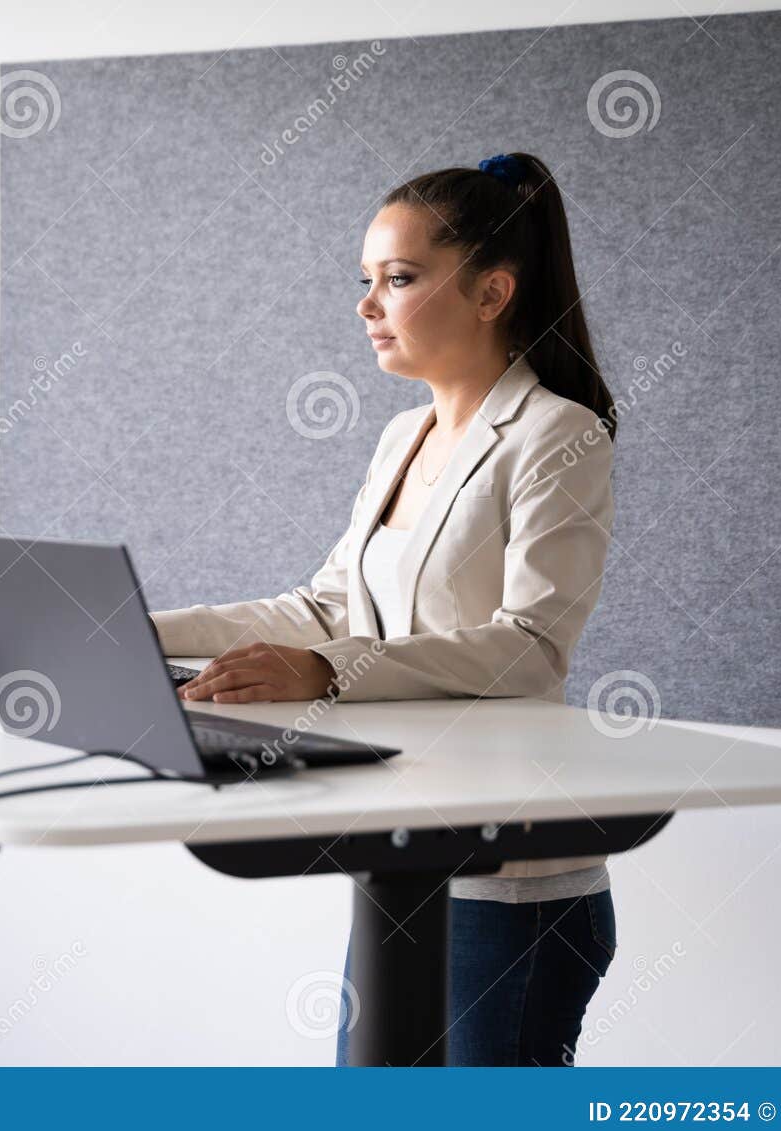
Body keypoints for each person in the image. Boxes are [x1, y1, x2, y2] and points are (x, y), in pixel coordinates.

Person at [149, 153, 619, 1066]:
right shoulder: (403, 435)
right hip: (401, 859)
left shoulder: (560, 434)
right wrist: (131, 625)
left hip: (506, 884)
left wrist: (328, 674)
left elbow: (530, 648)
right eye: (366, 281)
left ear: (491, 293)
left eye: (397, 280)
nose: (367, 306)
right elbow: (323, 606)